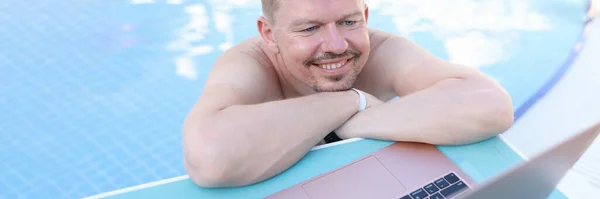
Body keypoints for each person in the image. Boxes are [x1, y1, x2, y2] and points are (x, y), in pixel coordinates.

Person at [182, 0, 514, 188]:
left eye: (349, 22)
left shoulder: (383, 50)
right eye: (309, 28)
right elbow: (210, 160)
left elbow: (490, 105)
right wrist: (352, 100)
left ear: (365, 17)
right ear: (269, 34)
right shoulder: (250, 63)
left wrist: (346, 124)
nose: (337, 46)